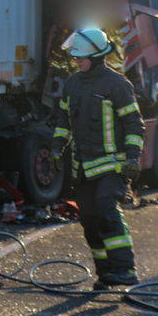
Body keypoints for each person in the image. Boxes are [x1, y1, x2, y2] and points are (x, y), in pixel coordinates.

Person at [49, 27, 144, 288]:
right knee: (89, 220)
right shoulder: (73, 83)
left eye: (81, 57)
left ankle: (125, 269)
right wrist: (57, 148)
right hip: (83, 167)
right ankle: (106, 272)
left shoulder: (117, 84)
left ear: (97, 56)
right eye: (76, 56)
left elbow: (134, 124)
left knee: (106, 210)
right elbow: (63, 121)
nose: (76, 60)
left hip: (112, 164)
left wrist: (133, 157)